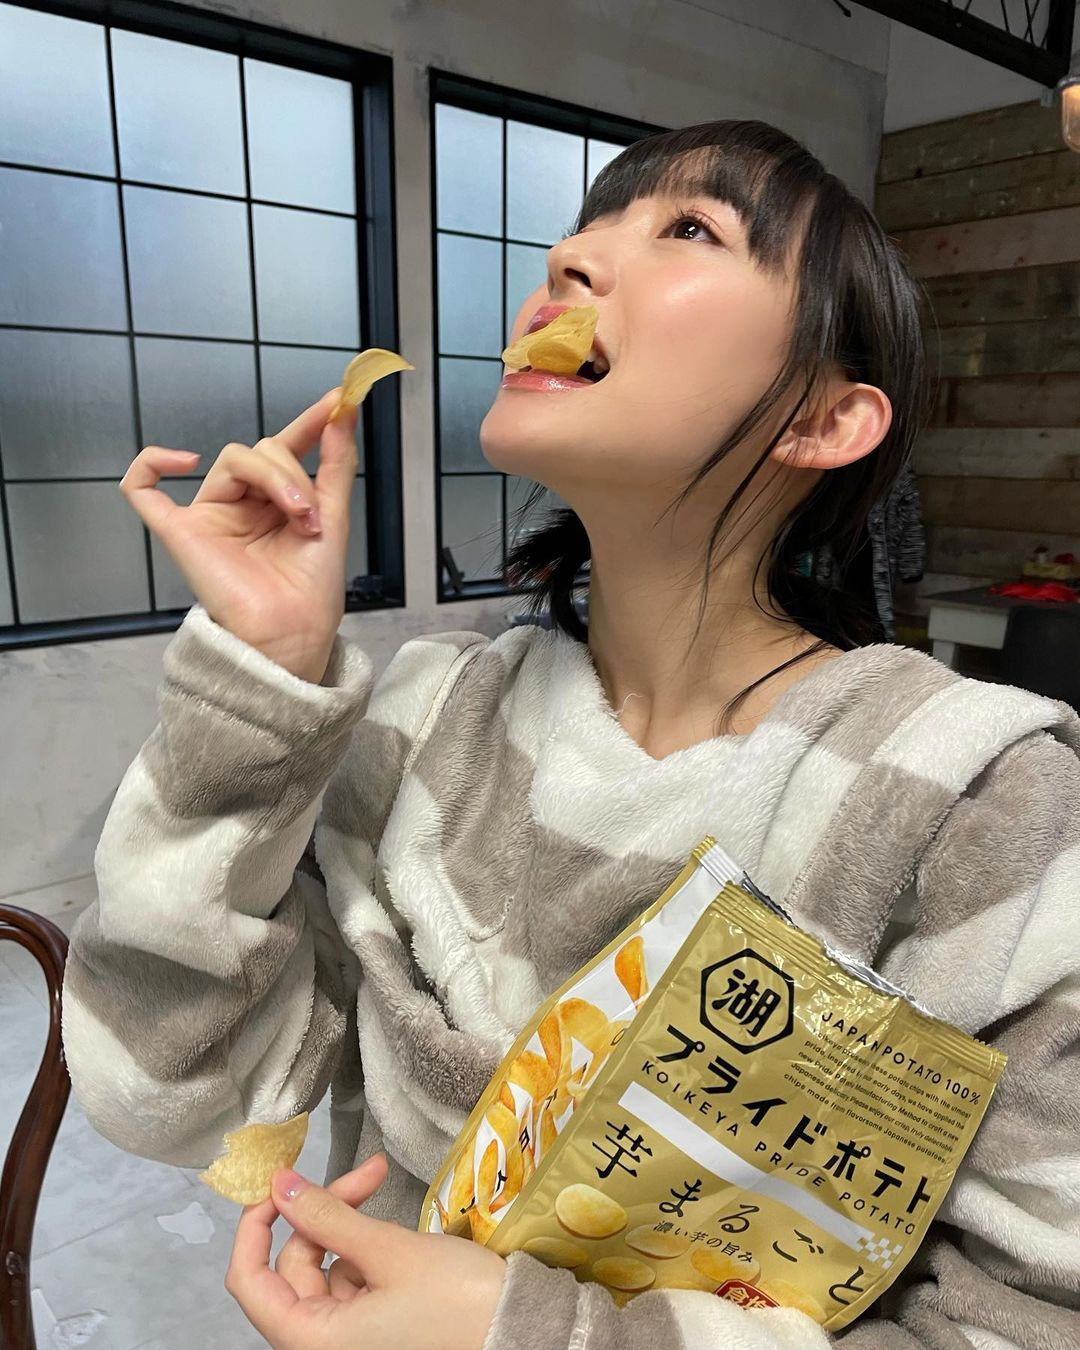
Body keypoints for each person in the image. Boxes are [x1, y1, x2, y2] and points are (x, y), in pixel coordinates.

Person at [61, 121, 1080, 1349]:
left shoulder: (969, 801)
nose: (568, 258)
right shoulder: (426, 721)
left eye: (690, 228)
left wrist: (537, 1334)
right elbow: (170, 1091)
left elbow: (1033, 1316)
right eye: (588, 225)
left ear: (821, 419)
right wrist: (259, 682)